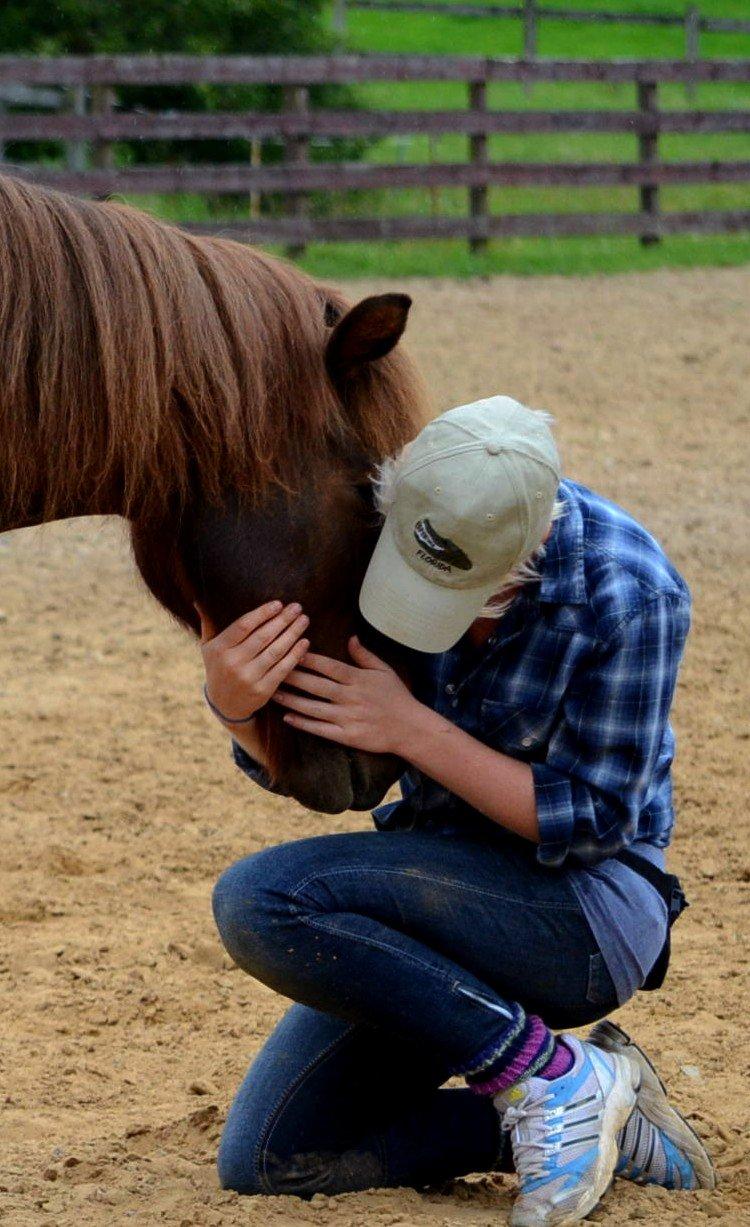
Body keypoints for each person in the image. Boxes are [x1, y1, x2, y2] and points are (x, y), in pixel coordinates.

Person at [199, 396, 715, 1226]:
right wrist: (235, 708)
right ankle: (598, 1116)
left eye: (468, 592)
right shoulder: (393, 530)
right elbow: (350, 780)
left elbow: (595, 819)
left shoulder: (632, 593)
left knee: (261, 898)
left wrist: (416, 729)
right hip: (435, 894)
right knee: (271, 1158)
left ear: (533, 550)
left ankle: (551, 1077)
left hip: (580, 909)